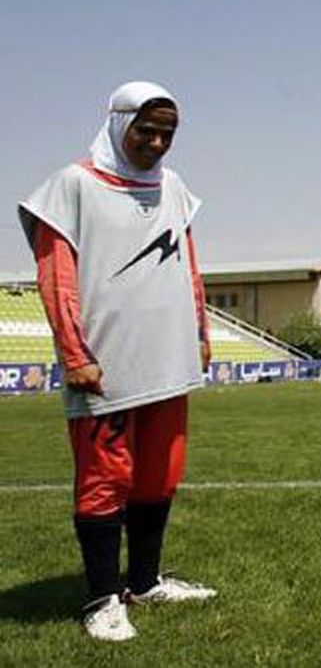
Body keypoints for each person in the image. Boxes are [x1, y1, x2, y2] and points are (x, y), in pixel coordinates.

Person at [17, 81, 217, 642]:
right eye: (146, 130)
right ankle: (102, 599)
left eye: (167, 134)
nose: (156, 143)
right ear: (117, 123)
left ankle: (146, 581)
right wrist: (74, 354)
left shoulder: (173, 187)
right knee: (106, 479)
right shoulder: (71, 186)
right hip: (105, 365)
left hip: (168, 358)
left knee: (159, 474)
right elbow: (56, 277)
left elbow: (189, 264)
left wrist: (200, 331)